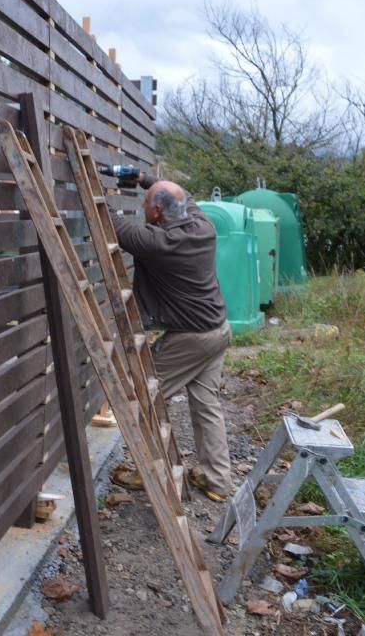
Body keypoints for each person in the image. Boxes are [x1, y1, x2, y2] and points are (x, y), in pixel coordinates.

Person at [111, 174, 233, 502]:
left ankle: (151, 473)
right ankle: (217, 481)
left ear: (158, 213)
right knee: (207, 404)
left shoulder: (160, 243)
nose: (142, 207)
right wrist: (143, 179)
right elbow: (186, 195)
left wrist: (96, 191)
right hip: (218, 329)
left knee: (144, 395)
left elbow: (112, 225)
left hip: (193, 338)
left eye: (146, 204)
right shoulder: (201, 223)